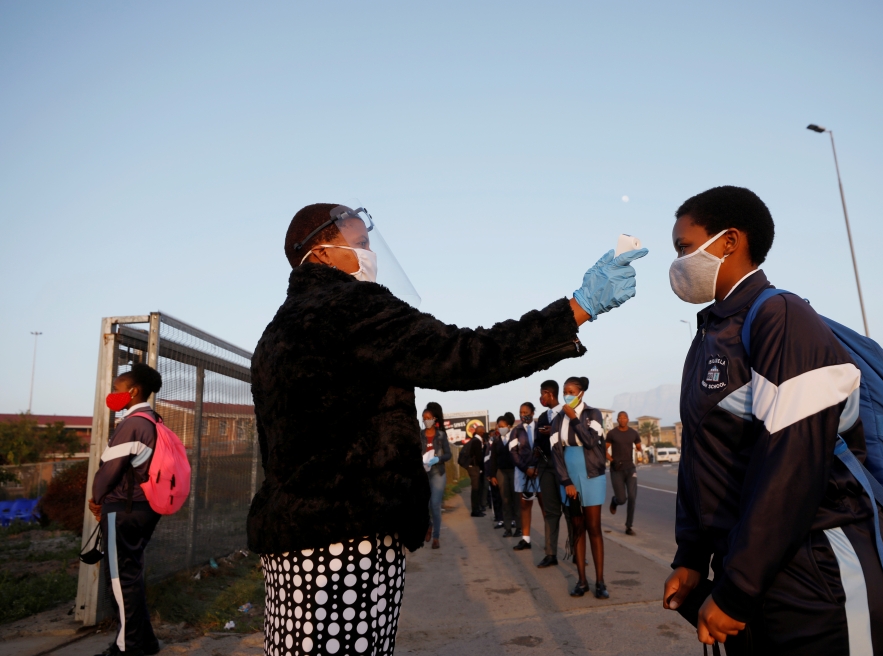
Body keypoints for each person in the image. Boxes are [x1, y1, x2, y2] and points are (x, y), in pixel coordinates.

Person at [248, 201, 648, 656]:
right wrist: (575, 309)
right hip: (346, 542)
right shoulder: (348, 306)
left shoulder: (278, 331)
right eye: (360, 244)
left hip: (291, 547)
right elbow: (465, 354)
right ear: (320, 253)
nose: (370, 253)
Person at [661, 186, 883, 654]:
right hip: (755, 574)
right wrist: (693, 556)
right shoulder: (710, 335)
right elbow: (702, 455)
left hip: (818, 576)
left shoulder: (781, 317)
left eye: (684, 247)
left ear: (729, 241)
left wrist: (737, 589)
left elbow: (794, 465)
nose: (677, 262)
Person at [88, 363, 163, 656]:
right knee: (131, 576)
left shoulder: (132, 424)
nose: (113, 394)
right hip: (145, 508)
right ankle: (145, 643)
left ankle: (127, 649)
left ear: (132, 392)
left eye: (117, 389)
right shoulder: (154, 420)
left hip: (124, 508)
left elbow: (109, 471)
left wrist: (96, 498)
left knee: (121, 581)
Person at [551, 376, 609, 599]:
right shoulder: (557, 419)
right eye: (565, 390)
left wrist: (574, 418)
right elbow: (556, 452)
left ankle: (600, 582)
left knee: (594, 527)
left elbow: (591, 442)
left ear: (581, 393)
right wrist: (566, 481)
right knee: (577, 529)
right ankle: (582, 580)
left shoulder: (592, 414)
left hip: (592, 475)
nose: (567, 394)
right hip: (570, 476)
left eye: (571, 391)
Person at [534, 380, 564, 568]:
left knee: (570, 513)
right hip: (545, 468)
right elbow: (538, 439)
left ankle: (576, 553)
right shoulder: (543, 416)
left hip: (564, 468)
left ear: (549, 393)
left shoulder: (566, 414)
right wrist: (537, 448)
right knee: (551, 512)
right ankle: (550, 553)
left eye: (542, 394)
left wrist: (552, 432)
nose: (541, 398)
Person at [606, 411, 642, 536]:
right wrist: (612, 460)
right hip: (617, 469)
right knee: (622, 499)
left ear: (628, 419)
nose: (622, 419)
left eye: (624, 417)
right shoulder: (612, 433)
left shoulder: (633, 433)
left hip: (630, 468)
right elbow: (603, 450)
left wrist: (639, 448)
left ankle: (628, 526)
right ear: (617, 419)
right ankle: (615, 501)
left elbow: (638, 446)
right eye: (620, 418)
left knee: (632, 497)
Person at [511, 402, 540, 551]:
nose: (522, 415)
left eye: (525, 412)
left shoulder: (540, 429)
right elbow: (513, 453)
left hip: (540, 472)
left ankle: (549, 542)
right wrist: (525, 469)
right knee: (525, 505)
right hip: (523, 472)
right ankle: (526, 539)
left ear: (533, 413)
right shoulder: (516, 431)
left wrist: (538, 468)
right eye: (520, 412)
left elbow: (546, 449)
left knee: (545, 506)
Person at [423, 403, 452, 548]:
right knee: (425, 504)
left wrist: (438, 459)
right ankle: (429, 525)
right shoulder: (420, 436)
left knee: (434, 504)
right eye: (424, 418)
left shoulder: (441, 435)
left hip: (438, 472)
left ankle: (436, 538)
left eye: (429, 418)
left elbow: (448, 454)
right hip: (424, 472)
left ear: (434, 419)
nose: (426, 420)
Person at [489, 413, 519, 537]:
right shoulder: (496, 442)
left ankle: (519, 528)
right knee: (505, 500)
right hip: (501, 472)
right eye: (498, 426)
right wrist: (492, 475)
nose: (500, 428)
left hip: (514, 472)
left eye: (502, 426)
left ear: (509, 426)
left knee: (516, 501)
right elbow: (493, 460)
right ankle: (507, 529)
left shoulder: (515, 439)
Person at [464, 425, 487, 517]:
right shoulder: (477, 442)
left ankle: (477, 509)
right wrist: (482, 468)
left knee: (476, 488)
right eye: (484, 431)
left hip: (473, 467)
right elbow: (479, 457)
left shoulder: (474, 440)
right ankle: (475, 510)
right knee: (476, 489)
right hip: (474, 467)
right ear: (481, 432)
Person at [484, 426, 505, 528]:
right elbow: (487, 459)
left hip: (504, 473)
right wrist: (489, 474)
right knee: (496, 497)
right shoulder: (490, 444)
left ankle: (511, 519)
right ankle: (500, 518)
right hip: (494, 474)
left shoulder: (506, 440)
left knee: (506, 497)